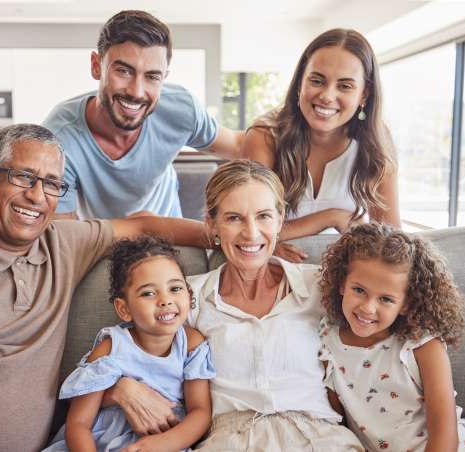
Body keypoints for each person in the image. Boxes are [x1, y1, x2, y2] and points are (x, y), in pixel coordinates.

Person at [0, 124, 212, 452]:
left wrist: (233, 238)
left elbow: (142, 225)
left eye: (51, 183)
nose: (36, 196)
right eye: (23, 177)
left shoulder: (63, 245)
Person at [106, 159, 364, 450]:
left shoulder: (321, 287)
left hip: (320, 439)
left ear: (280, 220)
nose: (251, 233)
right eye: (234, 218)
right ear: (212, 224)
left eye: (264, 216)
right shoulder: (187, 298)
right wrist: (119, 388)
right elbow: (122, 355)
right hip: (232, 440)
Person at [43, 10, 243, 220]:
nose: (136, 92)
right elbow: (68, 236)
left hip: (172, 238)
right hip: (99, 242)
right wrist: (145, 227)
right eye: (124, 71)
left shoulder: (181, 109)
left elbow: (240, 146)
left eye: (152, 76)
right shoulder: (57, 140)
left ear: (164, 77)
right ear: (96, 66)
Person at [318, 222, 465, 451]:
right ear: (342, 284)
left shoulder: (423, 347)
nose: (367, 308)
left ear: (406, 304)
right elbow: (338, 427)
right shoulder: (327, 343)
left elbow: (445, 433)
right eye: (359, 290)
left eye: (385, 299)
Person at [242, 29, 400, 263]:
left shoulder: (377, 141)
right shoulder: (264, 136)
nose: (327, 96)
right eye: (317, 81)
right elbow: (248, 229)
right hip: (277, 269)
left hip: (346, 276)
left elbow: (391, 239)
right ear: (300, 84)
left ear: (364, 94)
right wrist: (332, 217)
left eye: (345, 86)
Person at [44, 236, 215, 452]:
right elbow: (78, 424)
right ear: (124, 309)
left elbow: (200, 412)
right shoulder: (111, 347)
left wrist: (164, 443)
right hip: (100, 443)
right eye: (148, 293)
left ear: (189, 295)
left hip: (165, 442)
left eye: (175, 289)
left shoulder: (191, 344)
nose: (165, 300)